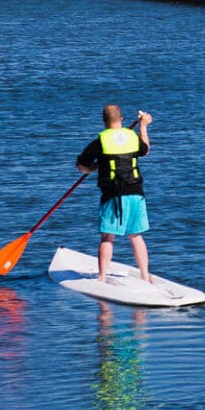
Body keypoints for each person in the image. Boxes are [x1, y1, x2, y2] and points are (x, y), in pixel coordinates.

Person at [75, 105, 152, 283]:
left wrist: (93, 168)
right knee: (136, 235)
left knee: (108, 237)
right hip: (135, 193)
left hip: (112, 196)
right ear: (122, 119)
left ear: (104, 121)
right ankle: (145, 276)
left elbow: (81, 165)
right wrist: (143, 126)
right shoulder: (132, 136)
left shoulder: (99, 142)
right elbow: (145, 150)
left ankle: (101, 278)